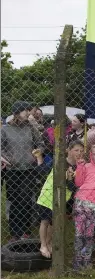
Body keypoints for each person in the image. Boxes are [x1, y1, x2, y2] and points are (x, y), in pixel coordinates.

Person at [1, 101, 45, 241]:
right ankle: (15, 233)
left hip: (29, 170)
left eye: (28, 110)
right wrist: (5, 158)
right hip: (12, 170)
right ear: (16, 113)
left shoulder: (30, 127)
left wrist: (38, 152)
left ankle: (25, 231)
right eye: (25, 110)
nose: (28, 113)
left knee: (25, 200)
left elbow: (41, 144)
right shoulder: (5, 129)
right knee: (14, 200)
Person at [36, 140, 84, 258]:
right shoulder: (59, 161)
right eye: (76, 150)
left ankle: (48, 242)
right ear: (69, 150)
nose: (79, 153)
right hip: (48, 195)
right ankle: (43, 244)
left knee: (54, 223)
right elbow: (42, 171)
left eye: (81, 151)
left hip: (62, 200)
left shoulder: (79, 167)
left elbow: (73, 188)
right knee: (45, 221)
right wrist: (39, 158)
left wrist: (69, 179)